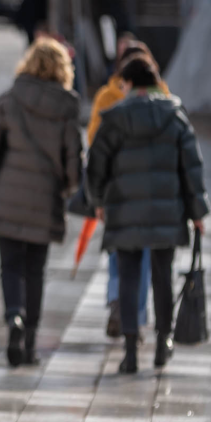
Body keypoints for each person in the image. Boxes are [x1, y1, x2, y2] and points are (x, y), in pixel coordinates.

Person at [86, 56, 209, 374]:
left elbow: (96, 163)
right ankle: (162, 343)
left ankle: (129, 351)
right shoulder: (175, 116)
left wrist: (97, 199)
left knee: (128, 277)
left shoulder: (115, 118)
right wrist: (197, 213)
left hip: (124, 208)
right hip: (166, 210)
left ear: (130, 83)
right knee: (161, 276)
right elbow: (191, 167)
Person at [0, 37, 83, 367]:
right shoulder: (67, 107)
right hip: (44, 200)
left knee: (10, 266)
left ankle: (13, 316)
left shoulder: (9, 99)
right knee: (35, 271)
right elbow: (74, 159)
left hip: (7, 196)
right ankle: (29, 341)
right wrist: (69, 185)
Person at [86, 37, 172, 339]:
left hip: (118, 194)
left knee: (118, 256)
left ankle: (118, 305)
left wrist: (97, 195)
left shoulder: (108, 99)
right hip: (155, 196)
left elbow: (95, 144)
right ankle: (135, 315)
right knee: (146, 259)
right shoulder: (166, 102)